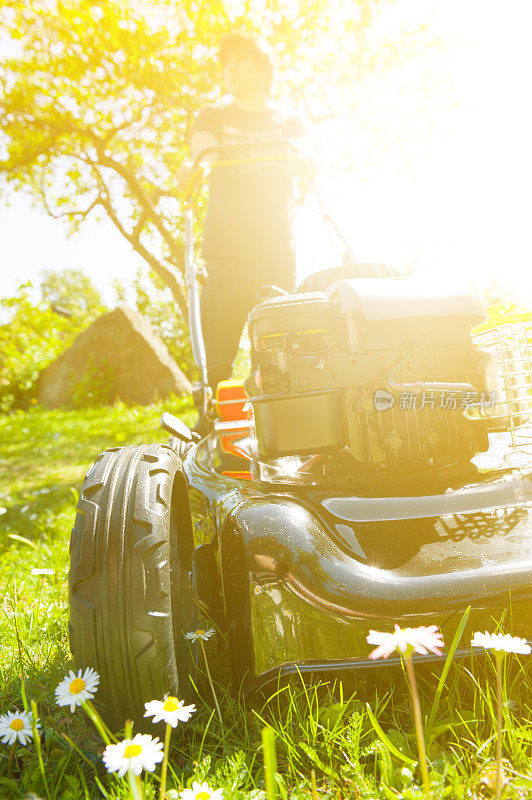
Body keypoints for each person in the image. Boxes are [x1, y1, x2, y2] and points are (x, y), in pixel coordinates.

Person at [180, 32, 305, 406]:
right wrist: (194, 166)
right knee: (215, 358)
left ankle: (277, 436)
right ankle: (209, 428)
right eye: (226, 62)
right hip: (224, 253)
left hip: (274, 255)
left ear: (263, 69)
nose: (230, 68)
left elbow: (304, 153)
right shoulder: (213, 115)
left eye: (240, 60)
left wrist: (306, 162)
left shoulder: (288, 123)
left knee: (273, 360)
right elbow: (202, 150)